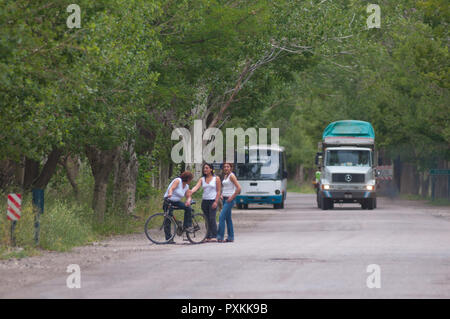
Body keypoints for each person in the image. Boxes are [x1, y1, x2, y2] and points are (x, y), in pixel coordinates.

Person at [191, 163, 221, 242]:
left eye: (207, 168)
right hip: (205, 201)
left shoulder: (216, 178)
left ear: (211, 169)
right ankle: (208, 236)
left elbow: (218, 191)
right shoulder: (202, 179)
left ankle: (214, 235)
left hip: (213, 200)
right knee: (206, 219)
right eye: (204, 168)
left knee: (212, 218)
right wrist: (191, 191)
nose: (205, 170)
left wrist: (216, 201)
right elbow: (196, 187)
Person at [163, 171, 194, 242]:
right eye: (190, 179)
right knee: (168, 219)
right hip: (168, 200)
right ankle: (169, 239)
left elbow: (188, 196)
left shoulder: (186, 186)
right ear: (188, 178)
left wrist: (188, 200)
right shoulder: (178, 181)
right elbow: (171, 188)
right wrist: (170, 193)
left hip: (176, 202)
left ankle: (187, 226)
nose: (191, 181)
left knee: (188, 208)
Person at [217, 163, 241, 243]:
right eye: (225, 167)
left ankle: (220, 237)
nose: (226, 168)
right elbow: (227, 187)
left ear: (231, 168)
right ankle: (231, 237)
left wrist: (232, 197)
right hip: (224, 198)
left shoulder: (232, 176)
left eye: (228, 167)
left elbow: (238, 188)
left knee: (221, 217)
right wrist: (221, 195)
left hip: (229, 200)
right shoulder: (225, 176)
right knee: (228, 219)